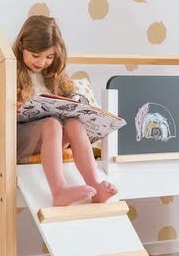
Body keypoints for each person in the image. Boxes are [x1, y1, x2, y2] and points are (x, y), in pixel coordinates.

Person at [14, 15, 117, 206]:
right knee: (52, 124)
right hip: (17, 139)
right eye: (36, 55)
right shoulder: (9, 71)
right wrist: (13, 107)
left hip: (48, 138)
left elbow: (69, 97)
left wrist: (77, 101)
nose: (41, 62)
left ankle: (95, 185)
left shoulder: (54, 75)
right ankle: (59, 190)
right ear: (21, 46)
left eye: (49, 57)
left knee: (74, 123)